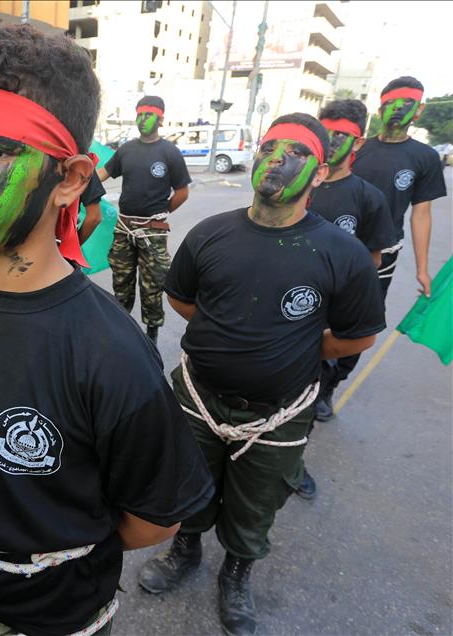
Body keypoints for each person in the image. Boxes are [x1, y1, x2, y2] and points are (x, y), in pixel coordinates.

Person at [0, 24, 214, 635]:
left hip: (54, 614)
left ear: (70, 179)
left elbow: (154, 520)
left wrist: (51, 557)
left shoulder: (112, 356)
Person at [140, 113, 385, 636]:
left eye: (295, 153)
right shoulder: (210, 233)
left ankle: (237, 572)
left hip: (279, 414)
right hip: (198, 400)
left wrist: (298, 348)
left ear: (321, 173)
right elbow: (181, 298)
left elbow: (358, 335)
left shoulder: (342, 253)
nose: (276, 160)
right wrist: (229, 334)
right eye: (269, 148)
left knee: (255, 505)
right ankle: (186, 550)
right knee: (189, 485)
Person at [305, 99, 394, 435]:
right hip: (293, 292)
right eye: (324, 132)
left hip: (335, 302)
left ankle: (326, 391)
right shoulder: (297, 186)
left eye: (339, 135)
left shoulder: (369, 198)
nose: (330, 141)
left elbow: (372, 261)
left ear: (358, 142)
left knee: (326, 364)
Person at [97, 95, 190, 343]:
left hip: (153, 232)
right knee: (121, 281)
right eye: (140, 115)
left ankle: (151, 336)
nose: (143, 119)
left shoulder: (169, 152)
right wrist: (80, 179)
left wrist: (160, 214)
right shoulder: (126, 149)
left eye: (149, 115)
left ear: (161, 119)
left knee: (153, 285)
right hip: (124, 230)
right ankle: (121, 330)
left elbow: (182, 193)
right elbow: (102, 174)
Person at [353, 76, 447, 299]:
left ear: (418, 110)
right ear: (379, 111)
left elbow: (421, 215)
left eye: (406, 102)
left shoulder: (426, 157)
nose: (397, 108)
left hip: (384, 252)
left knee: (369, 313)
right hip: (341, 244)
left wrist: (422, 270)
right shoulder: (356, 149)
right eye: (390, 103)